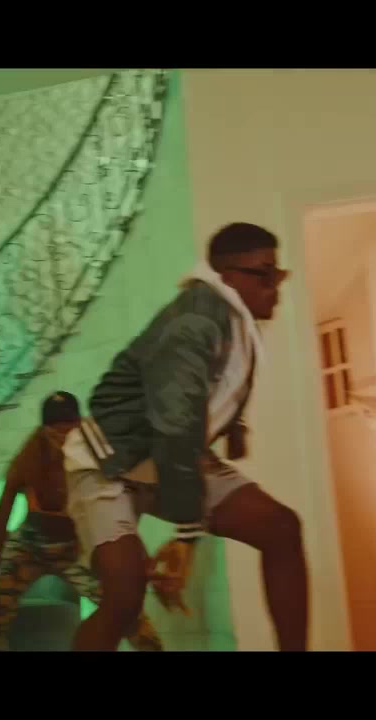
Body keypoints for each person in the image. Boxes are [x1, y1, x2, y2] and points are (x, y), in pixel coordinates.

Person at [61, 223, 308, 651]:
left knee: (280, 528)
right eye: (265, 274)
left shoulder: (230, 317)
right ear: (227, 275)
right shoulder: (197, 321)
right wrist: (188, 532)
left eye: (278, 275)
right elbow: (176, 423)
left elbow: (205, 401)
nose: (275, 288)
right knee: (124, 594)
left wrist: (235, 430)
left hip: (166, 454)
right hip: (110, 461)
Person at [0, 391, 163, 651]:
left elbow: (120, 515)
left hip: (76, 549)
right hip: (30, 546)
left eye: (69, 432)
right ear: (44, 431)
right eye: (55, 434)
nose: (63, 442)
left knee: (128, 611)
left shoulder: (96, 454)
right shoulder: (28, 460)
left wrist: (139, 560)